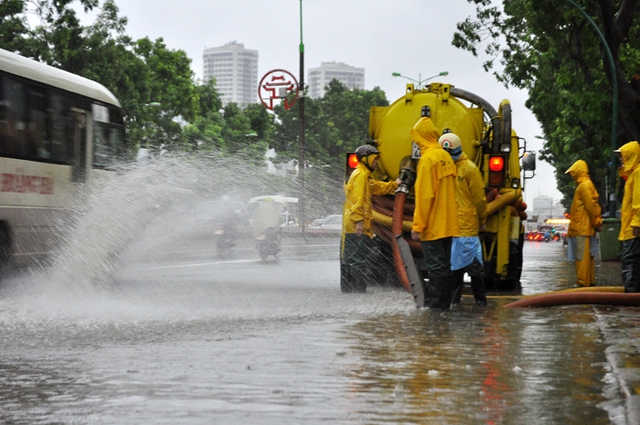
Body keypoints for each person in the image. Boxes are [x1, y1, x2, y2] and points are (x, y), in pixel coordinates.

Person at [410, 117, 459, 309]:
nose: (415, 142)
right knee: (444, 266)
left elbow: (425, 196)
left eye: (416, 138)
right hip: (448, 224)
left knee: (435, 267)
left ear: (422, 137)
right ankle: (444, 306)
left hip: (433, 225)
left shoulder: (427, 160)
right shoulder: (446, 156)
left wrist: (418, 226)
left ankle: (437, 311)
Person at [342, 144, 401, 293]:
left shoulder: (362, 174)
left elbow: (376, 187)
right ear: (367, 159)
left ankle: (350, 293)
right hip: (356, 225)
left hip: (351, 224)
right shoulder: (361, 175)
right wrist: (359, 222)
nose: (376, 162)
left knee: (350, 259)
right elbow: (357, 200)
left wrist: (395, 185)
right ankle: (358, 293)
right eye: (374, 159)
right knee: (357, 261)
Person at [439, 132, 488, 306]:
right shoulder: (445, 168)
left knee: (474, 269)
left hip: (466, 228)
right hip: (451, 228)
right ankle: (455, 304)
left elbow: (479, 199)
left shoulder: (469, 169)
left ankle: (481, 303)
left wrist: (482, 219)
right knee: (455, 270)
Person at [565, 160, 603, 287]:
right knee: (587, 257)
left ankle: (583, 283)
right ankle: (588, 281)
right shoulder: (586, 185)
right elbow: (593, 205)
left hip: (581, 228)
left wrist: (597, 222)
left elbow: (591, 206)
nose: (572, 176)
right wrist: (596, 223)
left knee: (581, 257)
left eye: (574, 173)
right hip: (585, 227)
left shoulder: (584, 186)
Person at [616, 141, 640, 292]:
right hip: (630, 227)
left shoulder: (637, 173)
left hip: (633, 228)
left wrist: (637, 222)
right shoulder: (632, 174)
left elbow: (639, 200)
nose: (620, 159)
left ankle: (631, 295)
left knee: (630, 260)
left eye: (623, 156)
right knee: (633, 260)